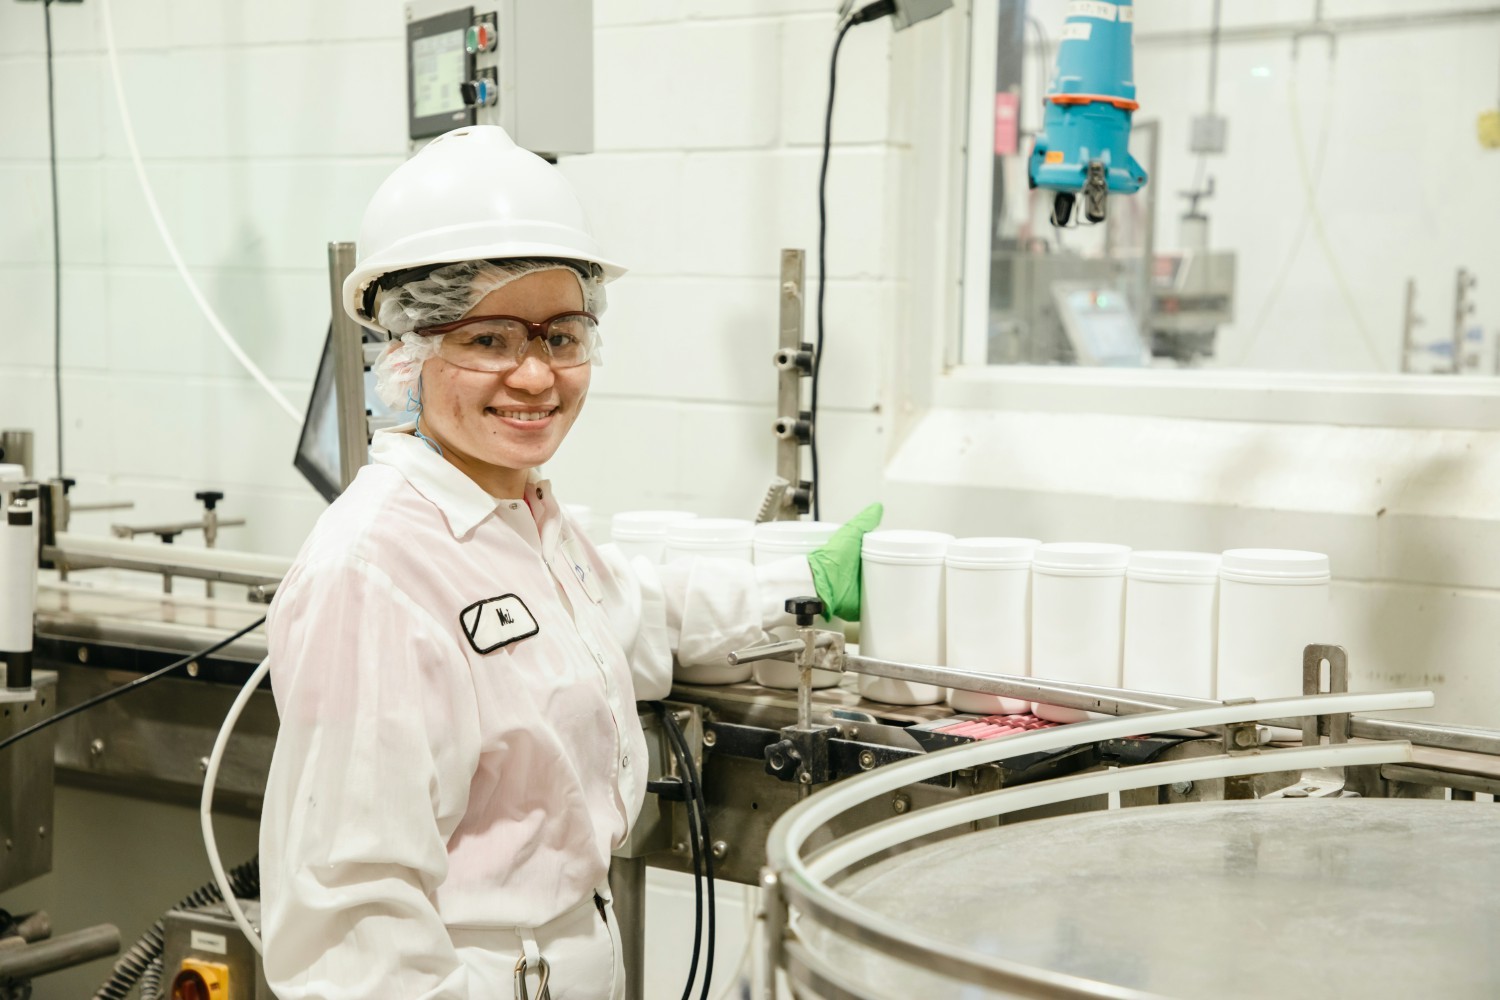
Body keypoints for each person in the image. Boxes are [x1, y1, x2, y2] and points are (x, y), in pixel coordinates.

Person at [258, 125, 879, 1000]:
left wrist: (805, 589)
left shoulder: (522, 517)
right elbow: (356, 930)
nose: (536, 375)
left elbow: (636, 618)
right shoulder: (377, 568)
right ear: (409, 348)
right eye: (489, 339)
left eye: (561, 335)